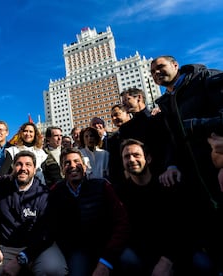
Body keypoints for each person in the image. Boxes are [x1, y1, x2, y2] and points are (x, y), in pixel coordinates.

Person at [151, 55, 223, 273]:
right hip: (195, 180)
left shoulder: (206, 78)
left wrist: (196, 125)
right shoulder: (166, 102)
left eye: (160, 67)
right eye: (152, 71)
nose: (156, 73)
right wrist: (171, 165)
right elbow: (173, 139)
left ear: (175, 66)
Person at [0, 151, 68, 276]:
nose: (23, 168)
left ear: (34, 169)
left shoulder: (44, 194)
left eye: (28, 165)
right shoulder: (1, 184)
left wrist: (22, 258)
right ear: (13, 167)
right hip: (7, 246)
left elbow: (46, 235)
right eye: (19, 164)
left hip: (38, 247)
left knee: (55, 270)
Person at [116, 139, 206, 275]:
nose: (131, 159)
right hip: (146, 255)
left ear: (149, 158)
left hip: (177, 251)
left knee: (204, 264)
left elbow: (185, 228)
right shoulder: (121, 193)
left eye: (136, 155)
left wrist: (168, 260)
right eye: (126, 157)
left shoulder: (167, 183)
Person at [47, 147, 129, 276]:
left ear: (85, 167)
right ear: (62, 170)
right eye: (67, 163)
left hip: (108, 245)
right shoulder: (55, 192)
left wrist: (105, 260)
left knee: (132, 262)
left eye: (77, 162)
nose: (72, 166)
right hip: (78, 250)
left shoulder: (102, 186)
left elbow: (122, 221)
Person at [107, 104, 131, 187]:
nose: (114, 118)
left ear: (127, 113)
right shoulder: (112, 139)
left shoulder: (139, 128)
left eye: (117, 114)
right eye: (112, 116)